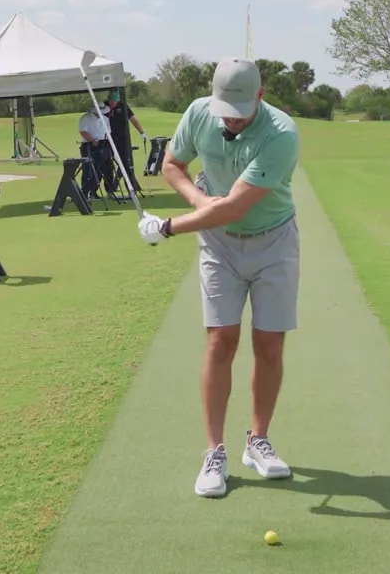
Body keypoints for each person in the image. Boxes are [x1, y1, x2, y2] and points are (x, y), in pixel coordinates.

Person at [138, 57, 301, 499]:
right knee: (220, 340)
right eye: (224, 108)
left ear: (261, 98)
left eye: (240, 109)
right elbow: (172, 164)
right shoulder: (197, 113)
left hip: (273, 241)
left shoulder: (281, 134)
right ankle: (215, 452)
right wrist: (197, 200)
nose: (230, 117)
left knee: (269, 343)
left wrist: (169, 226)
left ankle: (258, 440)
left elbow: (234, 207)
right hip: (218, 245)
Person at [103, 89, 148, 194]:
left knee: (126, 164)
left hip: (121, 140)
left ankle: (132, 189)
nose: (111, 103)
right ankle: (110, 190)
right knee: (107, 165)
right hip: (107, 139)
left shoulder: (123, 106)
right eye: (110, 101)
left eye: (113, 101)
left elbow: (132, 119)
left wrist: (142, 132)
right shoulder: (104, 106)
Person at [77, 104, 114, 199]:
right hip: (89, 145)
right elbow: (83, 132)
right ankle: (85, 193)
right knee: (89, 170)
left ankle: (104, 191)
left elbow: (108, 132)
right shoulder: (85, 118)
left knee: (107, 169)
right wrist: (92, 140)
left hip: (103, 144)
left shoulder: (105, 119)